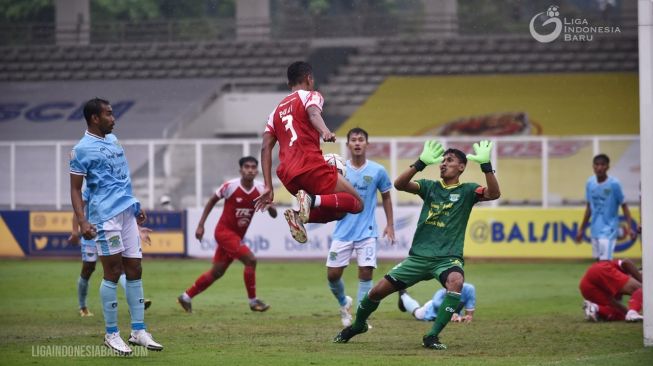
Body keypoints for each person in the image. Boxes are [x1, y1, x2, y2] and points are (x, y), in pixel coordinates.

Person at [333, 140, 501, 350]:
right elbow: (399, 184)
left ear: (462, 167)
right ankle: (358, 326)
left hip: (447, 258)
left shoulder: (468, 190)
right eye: (442, 161)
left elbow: (494, 194)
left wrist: (486, 166)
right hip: (418, 258)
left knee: (456, 281)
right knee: (376, 292)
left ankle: (431, 336)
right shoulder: (430, 187)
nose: (443, 164)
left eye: (449, 161)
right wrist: (420, 162)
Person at [70, 98, 163, 355]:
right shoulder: (81, 150)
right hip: (105, 217)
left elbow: (121, 177)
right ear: (94, 119)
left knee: (135, 268)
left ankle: (138, 331)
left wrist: (134, 204)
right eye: (109, 115)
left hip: (126, 213)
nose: (114, 118)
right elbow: (76, 190)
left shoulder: (113, 140)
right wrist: (82, 221)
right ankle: (111, 334)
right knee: (113, 271)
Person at [255, 61, 363, 244]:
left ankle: (298, 215)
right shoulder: (310, 96)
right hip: (309, 165)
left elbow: (265, 147)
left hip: (288, 175)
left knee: (338, 211)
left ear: (289, 84)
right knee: (357, 203)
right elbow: (313, 114)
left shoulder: (274, 113)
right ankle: (311, 200)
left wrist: (268, 185)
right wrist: (325, 131)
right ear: (309, 78)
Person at [178, 156, 275, 313]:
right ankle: (253, 301)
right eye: (247, 167)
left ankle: (186, 296)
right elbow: (211, 201)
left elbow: (274, 214)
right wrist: (201, 225)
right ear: (241, 170)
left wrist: (269, 205)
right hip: (224, 233)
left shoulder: (261, 189)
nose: (250, 170)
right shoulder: (230, 186)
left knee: (217, 272)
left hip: (236, 237)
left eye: (253, 167)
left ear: (257, 171)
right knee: (251, 260)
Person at [326, 127, 394, 326]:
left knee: (366, 272)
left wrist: (390, 224)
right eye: (353, 140)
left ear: (367, 144)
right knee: (332, 275)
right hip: (343, 231)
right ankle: (343, 301)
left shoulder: (378, 170)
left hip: (367, 231)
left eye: (361, 139)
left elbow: (387, 196)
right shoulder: (340, 171)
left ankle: (360, 319)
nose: (357, 143)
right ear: (347, 145)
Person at [68, 188, 153, 317]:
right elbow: (78, 209)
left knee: (119, 267)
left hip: (110, 232)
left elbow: (123, 215)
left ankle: (135, 302)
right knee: (88, 269)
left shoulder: (115, 188)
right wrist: (75, 231)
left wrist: (138, 229)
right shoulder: (90, 187)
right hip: (91, 235)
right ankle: (83, 306)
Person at [575, 154, 635, 260]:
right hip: (595, 229)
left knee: (605, 264)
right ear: (593, 166)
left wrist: (629, 227)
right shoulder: (590, 183)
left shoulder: (614, 184)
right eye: (597, 165)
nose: (599, 168)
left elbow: (624, 206)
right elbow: (589, 207)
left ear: (608, 167)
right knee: (598, 264)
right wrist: (581, 229)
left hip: (609, 230)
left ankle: (625, 276)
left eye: (602, 165)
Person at [397, 283, 476, 323]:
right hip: (431, 310)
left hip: (453, 313)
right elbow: (436, 304)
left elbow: (470, 307)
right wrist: (452, 315)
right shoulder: (442, 292)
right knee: (417, 313)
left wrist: (467, 317)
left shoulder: (469, 289)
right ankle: (403, 294)